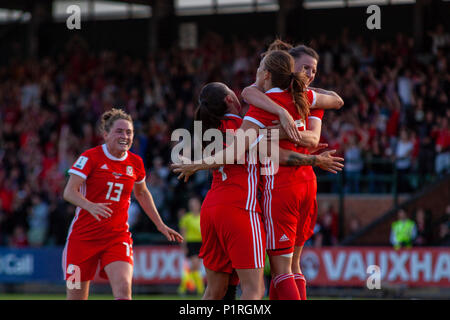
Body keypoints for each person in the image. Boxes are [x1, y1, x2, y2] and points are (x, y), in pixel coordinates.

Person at [173, 50, 344, 300]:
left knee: (216, 290)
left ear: (266, 75)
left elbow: (249, 95)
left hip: (211, 209)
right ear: (231, 100)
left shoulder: (226, 125)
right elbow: (330, 108)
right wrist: (313, 159)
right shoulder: (290, 103)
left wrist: (197, 164)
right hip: (245, 206)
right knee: (259, 287)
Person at [242, 41, 343, 300]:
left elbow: (247, 96)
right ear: (289, 67)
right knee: (292, 266)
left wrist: (266, 132)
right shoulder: (307, 99)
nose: (310, 74)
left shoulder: (275, 99)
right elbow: (313, 135)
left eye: (314, 70)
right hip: (306, 181)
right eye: (305, 68)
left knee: (281, 268)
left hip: (283, 183)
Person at [62, 108, 183, 300]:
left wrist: (160, 224)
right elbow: (69, 192)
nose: (125, 136)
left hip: (117, 237)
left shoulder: (135, 162)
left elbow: (142, 193)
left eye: (129, 132)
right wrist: (90, 206)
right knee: (76, 296)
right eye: (119, 131)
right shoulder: (90, 157)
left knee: (124, 289)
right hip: (82, 239)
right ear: (106, 134)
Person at [178, 196, 204, 296]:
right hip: (191, 243)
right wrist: (184, 246)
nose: (193, 206)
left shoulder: (203, 216)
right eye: (191, 204)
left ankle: (183, 287)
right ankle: (200, 289)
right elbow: (183, 233)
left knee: (195, 268)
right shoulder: (186, 218)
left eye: (195, 203)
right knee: (195, 265)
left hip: (201, 243)